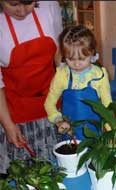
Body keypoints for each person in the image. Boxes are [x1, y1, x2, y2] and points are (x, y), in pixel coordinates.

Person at [0, 1, 63, 173]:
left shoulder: (50, 7)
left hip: (50, 108)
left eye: (28, 2)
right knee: (25, 177)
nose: (22, 11)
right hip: (16, 115)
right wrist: (8, 125)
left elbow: (58, 53)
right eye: (13, 4)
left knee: (56, 171)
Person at [44, 25, 112, 140]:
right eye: (70, 59)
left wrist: (111, 132)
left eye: (81, 59)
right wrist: (59, 121)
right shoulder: (62, 75)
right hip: (70, 134)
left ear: (91, 53)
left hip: (94, 133)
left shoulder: (99, 75)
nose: (76, 64)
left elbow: (107, 107)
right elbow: (49, 104)